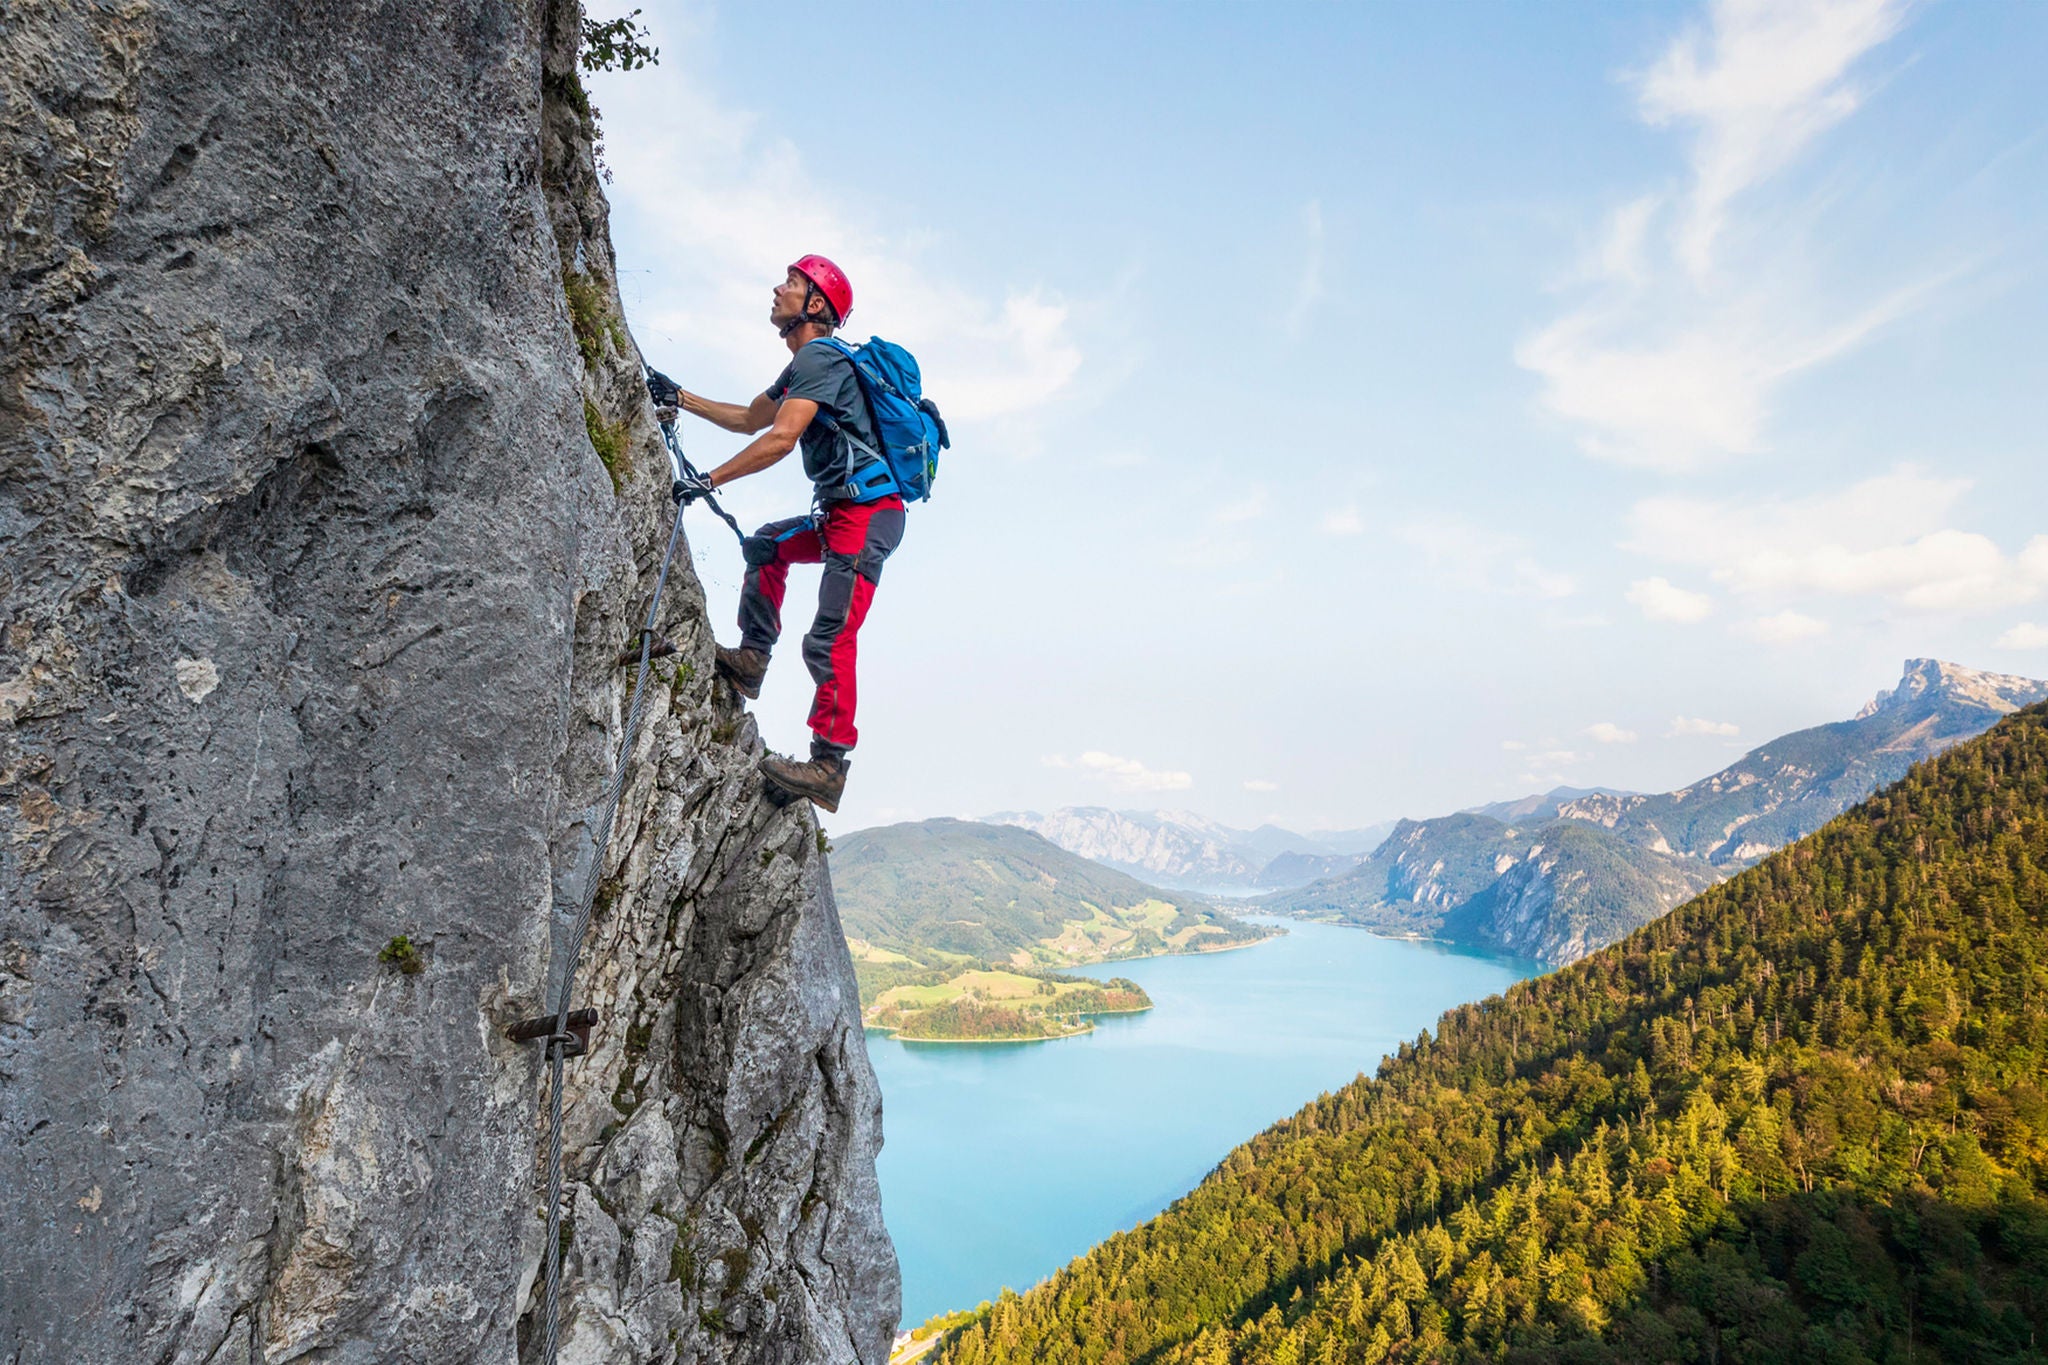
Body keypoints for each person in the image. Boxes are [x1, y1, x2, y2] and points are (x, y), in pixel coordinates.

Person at [665, 255, 904, 814]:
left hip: (867, 516)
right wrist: (683, 399)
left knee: (830, 635)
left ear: (815, 304)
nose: (778, 288)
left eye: (791, 283)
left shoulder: (820, 359)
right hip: (842, 514)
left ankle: (828, 765)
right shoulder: (806, 365)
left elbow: (780, 440)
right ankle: (752, 661)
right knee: (768, 546)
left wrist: (708, 480)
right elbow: (753, 419)